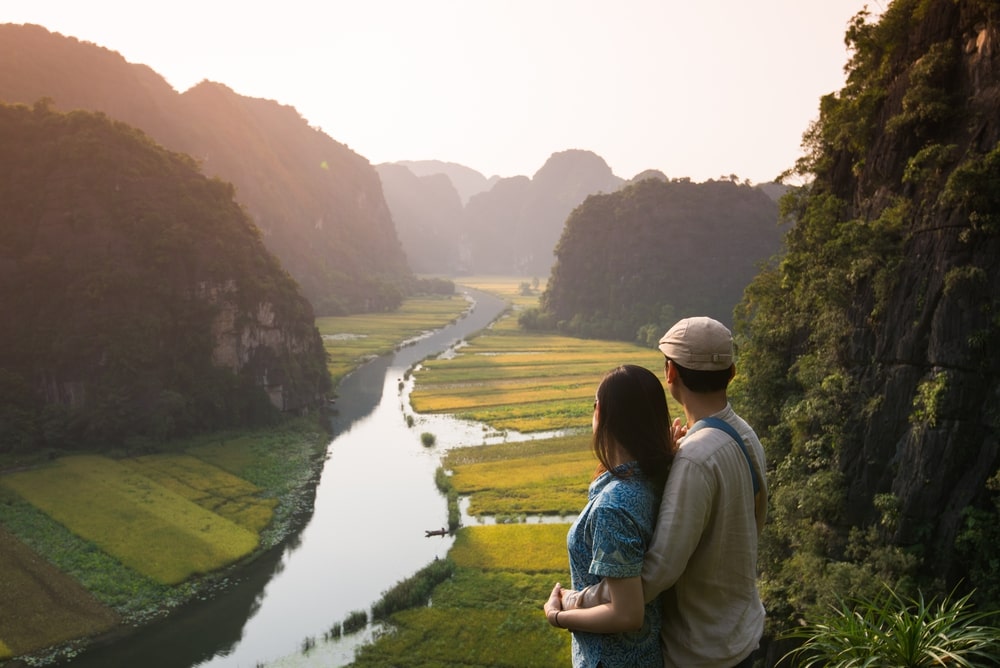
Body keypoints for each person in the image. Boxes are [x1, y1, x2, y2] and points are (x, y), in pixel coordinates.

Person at [560, 317, 768, 668]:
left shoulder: (695, 458)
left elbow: (657, 572)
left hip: (701, 648)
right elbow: (756, 519)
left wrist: (574, 602)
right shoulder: (744, 435)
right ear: (731, 373)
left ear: (670, 373)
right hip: (740, 631)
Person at [542, 364, 676, 668]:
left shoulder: (614, 505)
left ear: (600, 412)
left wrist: (559, 616)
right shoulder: (654, 476)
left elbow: (626, 613)